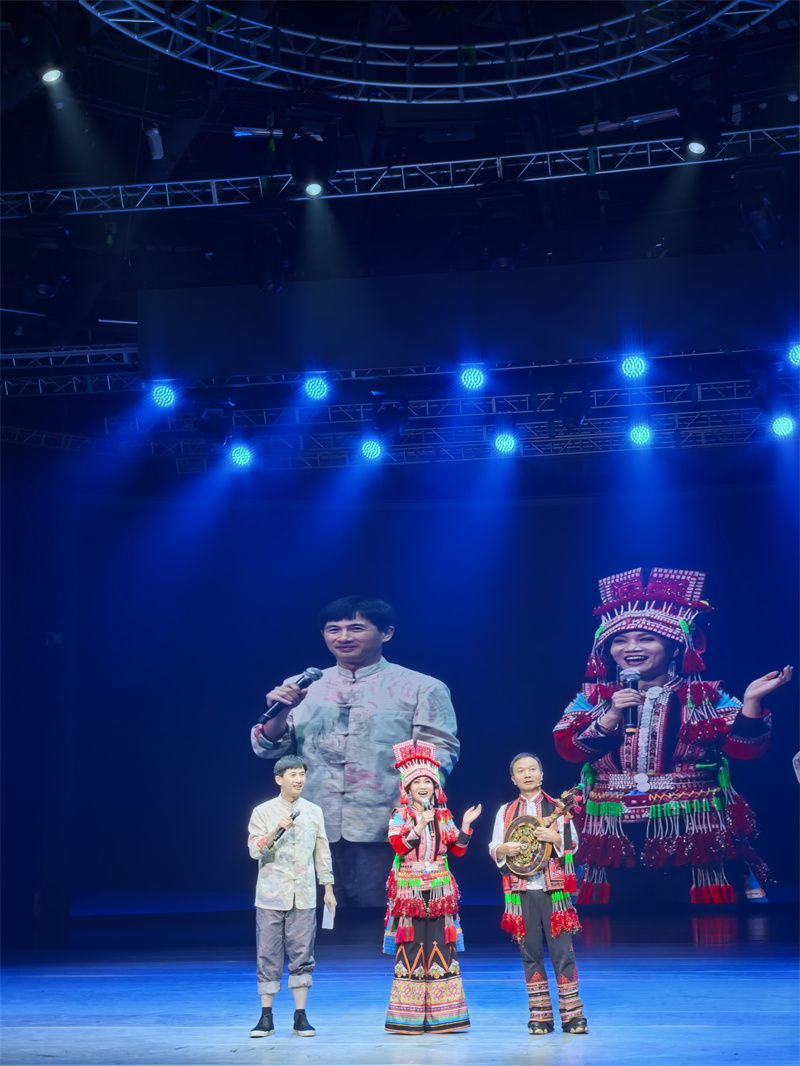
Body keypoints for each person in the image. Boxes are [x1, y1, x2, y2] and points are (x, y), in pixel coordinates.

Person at [553, 567, 793, 904]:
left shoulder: (704, 696)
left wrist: (751, 703)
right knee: (619, 921)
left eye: (646, 638)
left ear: (676, 647)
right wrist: (611, 716)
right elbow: (568, 750)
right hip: (611, 826)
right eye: (620, 640)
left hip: (690, 823)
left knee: (700, 919)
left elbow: (744, 750)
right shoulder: (593, 698)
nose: (631, 648)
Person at [251, 596, 460, 906]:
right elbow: (268, 749)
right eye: (333, 629)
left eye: (356, 628)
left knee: (380, 920)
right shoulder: (299, 687)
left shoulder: (422, 687)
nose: (344, 637)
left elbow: (439, 752)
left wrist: (415, 811)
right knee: (309, 918)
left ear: (386, 633)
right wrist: (281, 712)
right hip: (309, 824)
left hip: (385, 827)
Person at [383, 739, 480, 1034]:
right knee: (411, 948)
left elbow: (457, 850)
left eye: (428, 781)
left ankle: (445, 1016)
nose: (423, 786)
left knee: (440, 947)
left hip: (439, 889)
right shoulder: (400, 815)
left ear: (436, 787)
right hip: (409, 890)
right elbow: (399, 846)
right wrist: (419, 825)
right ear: (408, 788)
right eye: (418, 782)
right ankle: (408, 1018)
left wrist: (465, 826)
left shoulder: (443, 816)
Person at [489, 753, 587, 1036]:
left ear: (541, 775)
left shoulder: (558, 807)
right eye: (521, 771)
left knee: (563, 952)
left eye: (532, 769)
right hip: (521, 892)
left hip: (553, 890)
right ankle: (540, 1016)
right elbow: (494, 845)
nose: (527, 774)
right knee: (530, 953)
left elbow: (573, 844)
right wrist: (503, 849)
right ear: (513, 779)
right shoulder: (506, 811)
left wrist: (555, 838)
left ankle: (573, 1016)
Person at [247, 755, 336, 1038]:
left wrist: (328, 888)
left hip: (304, 894)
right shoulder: (263, 811)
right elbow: (255, 850)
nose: (299, 779)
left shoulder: (314, 811)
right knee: (268, 954)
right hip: (271, 895)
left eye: (301, 774)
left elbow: (322, 851)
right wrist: (277, 829)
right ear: (279, 779)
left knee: (302, 954)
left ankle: (300, 1016)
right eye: (293, 774)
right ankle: (266, 1017)